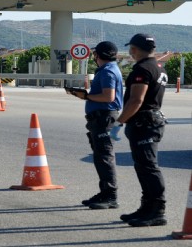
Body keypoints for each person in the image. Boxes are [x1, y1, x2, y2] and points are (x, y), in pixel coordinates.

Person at [116, 33, 168, 227]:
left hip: (144, 123)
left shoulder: (143, 69)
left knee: (148, 167)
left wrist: (119, 121)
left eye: (131, 48)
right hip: (150, 121)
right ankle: (147, 208)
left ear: (134, 49)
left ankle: (156, 211)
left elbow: (136, 100)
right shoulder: (158, 67)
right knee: (143, 167)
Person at [67, 41, 123, 209]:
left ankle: (110, 195)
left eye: (95, 54)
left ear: (99, 55)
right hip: (101, 118)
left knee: (104, 157)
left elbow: (108, 97)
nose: (94, 57)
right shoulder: (108, 69)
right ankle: (105, 192)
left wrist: (86, 96)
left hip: (104, 118)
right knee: (100, 156)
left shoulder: (108, 72)